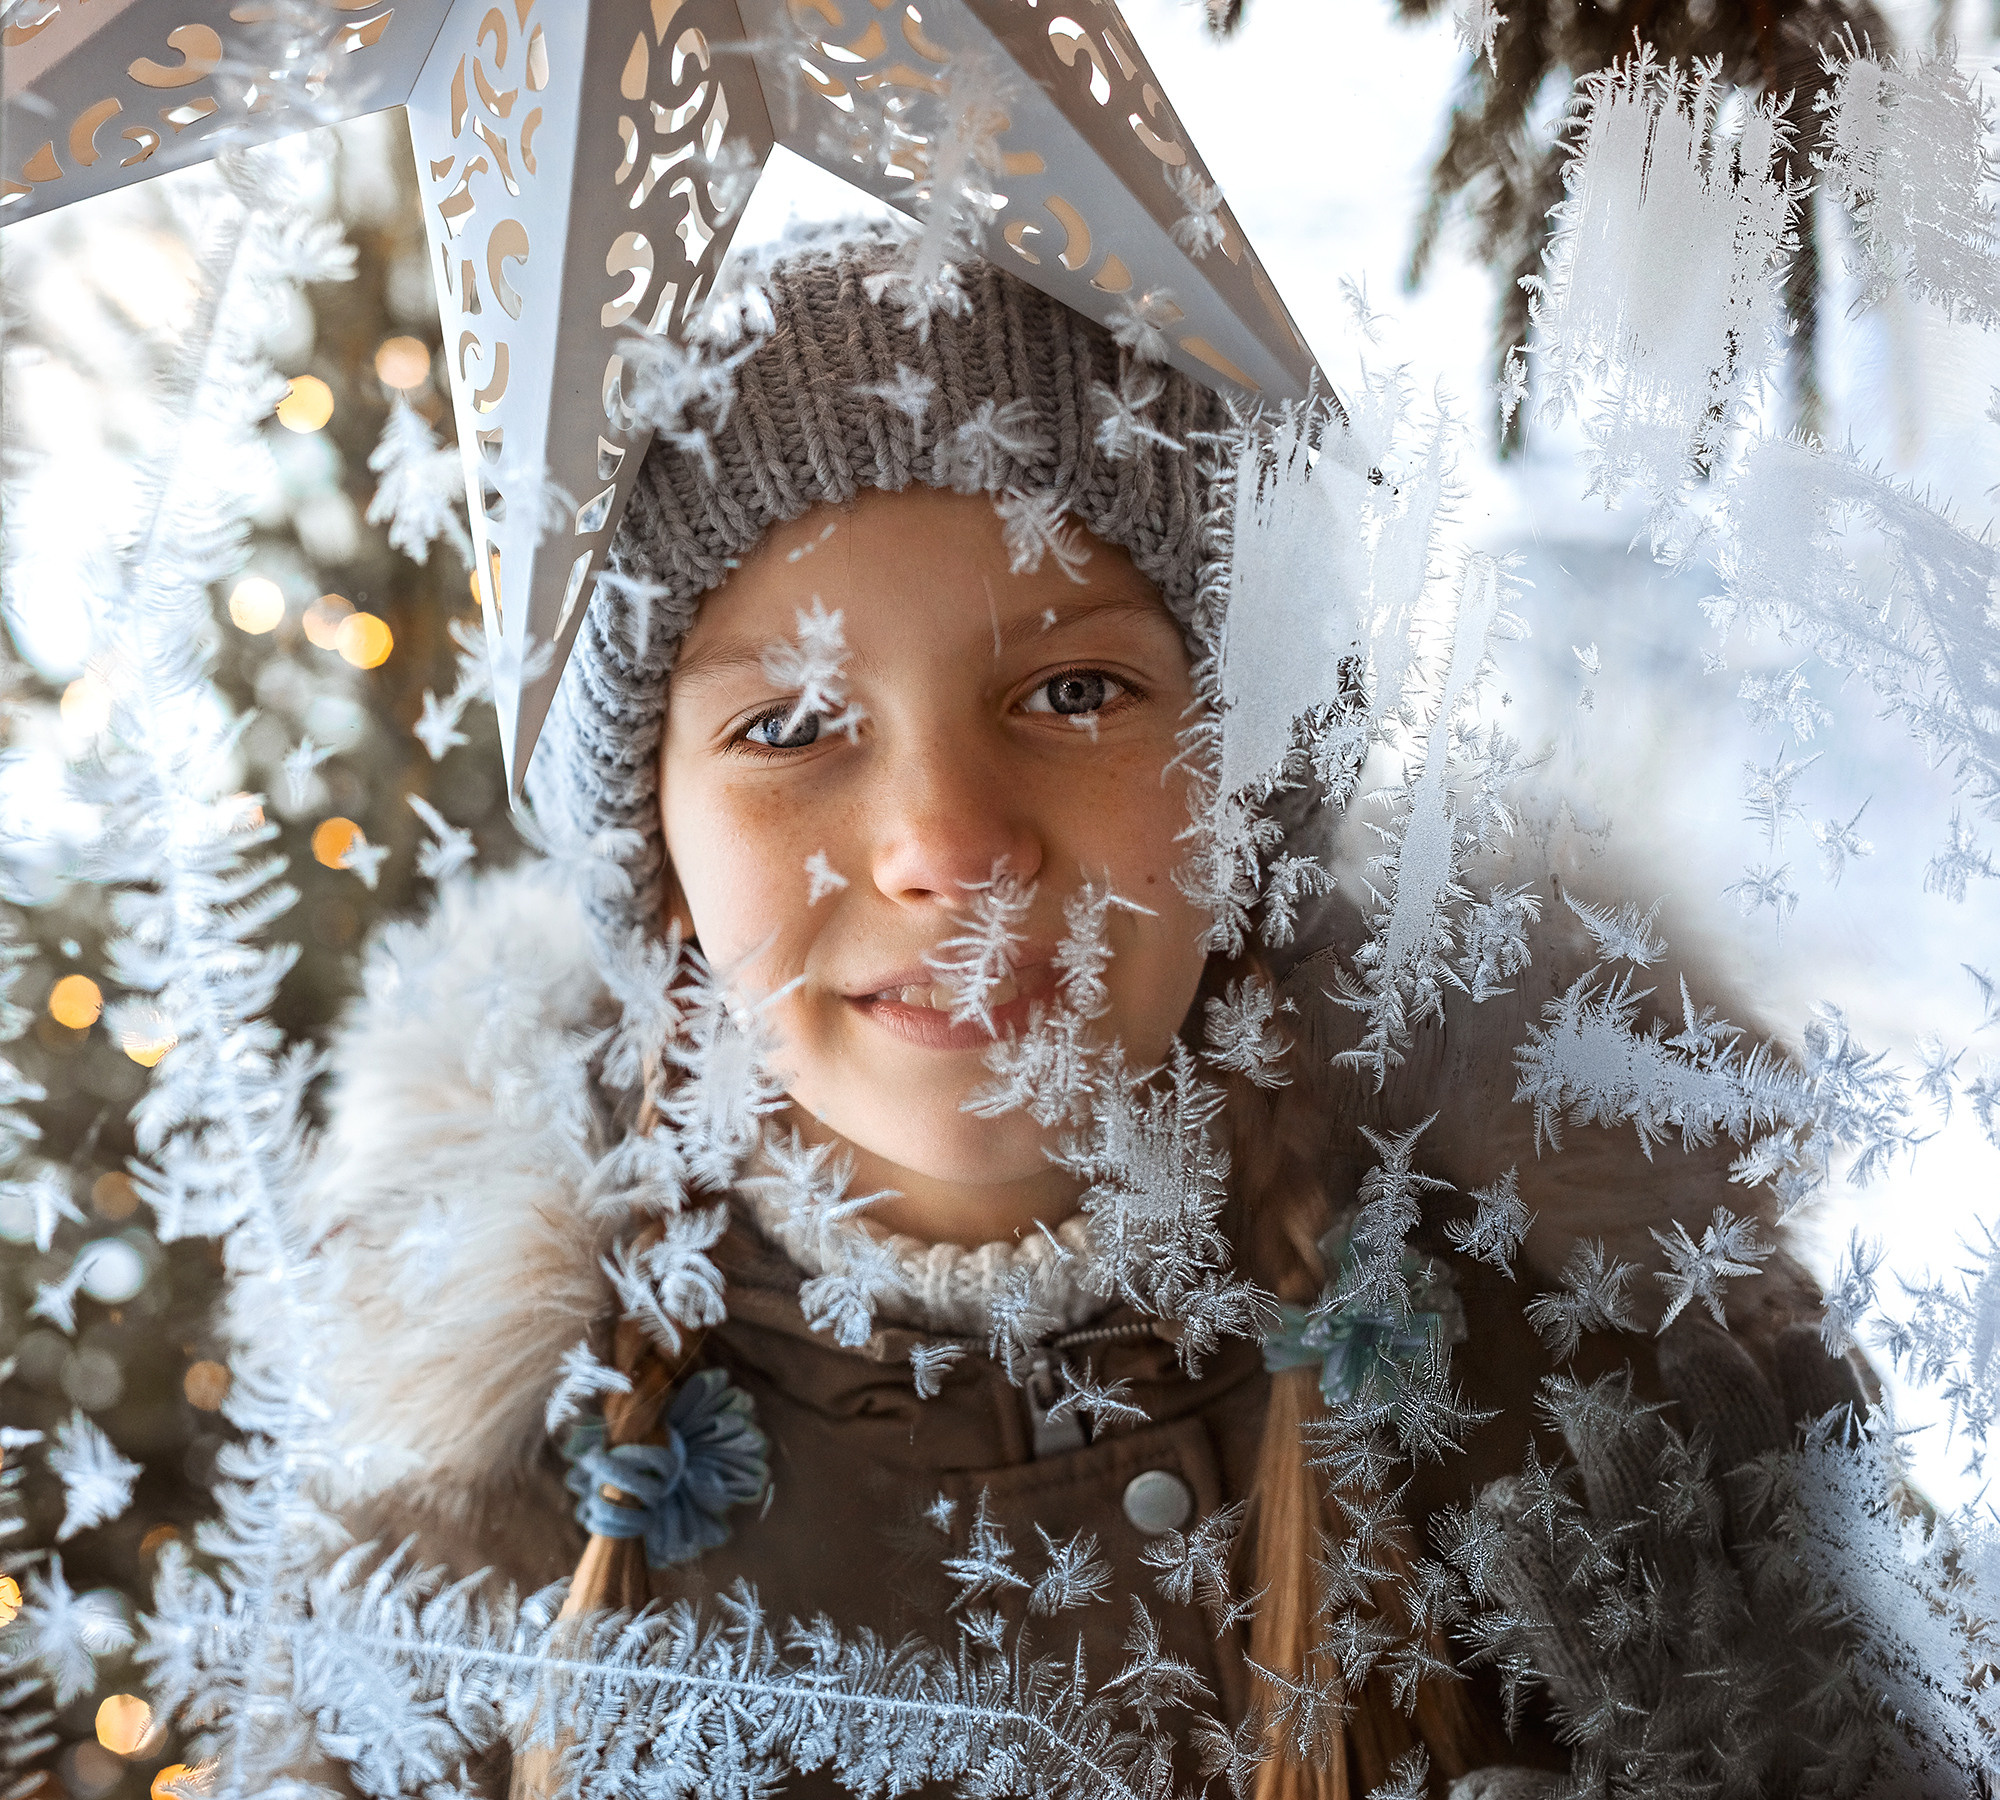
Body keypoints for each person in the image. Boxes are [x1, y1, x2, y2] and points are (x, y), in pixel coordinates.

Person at [296, 225, 1868, 1800]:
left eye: (1073, 693)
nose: (946, 847)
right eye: (787, 725)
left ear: (1245, 783)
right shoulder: (458, 1568)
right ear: (657, 863)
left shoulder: (1600, 1382)